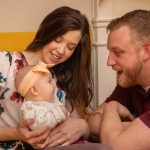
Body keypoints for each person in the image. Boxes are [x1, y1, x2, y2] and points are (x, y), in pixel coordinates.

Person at [0, 6, 93, 149]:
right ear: (47, 32)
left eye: (70, 47)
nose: (61, 51)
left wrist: (83, 126)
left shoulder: (60, 78)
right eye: (57, 39)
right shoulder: (6, 63)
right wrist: (16, 133)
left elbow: (76, 125)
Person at [88, 9, 150, 150]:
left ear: (146, 52)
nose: (109, 62)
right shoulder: (131, 80)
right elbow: (92, 123)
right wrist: (131, 128)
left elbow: (113, 146)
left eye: (118, 53)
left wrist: (111, 108)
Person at [15, 62, 70, 131]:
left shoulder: (51, 100)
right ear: (35, 90)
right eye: (49, 81)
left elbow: (64, 114)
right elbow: (39, 127)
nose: (54, 85)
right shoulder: (30, 108)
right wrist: (59, 112)